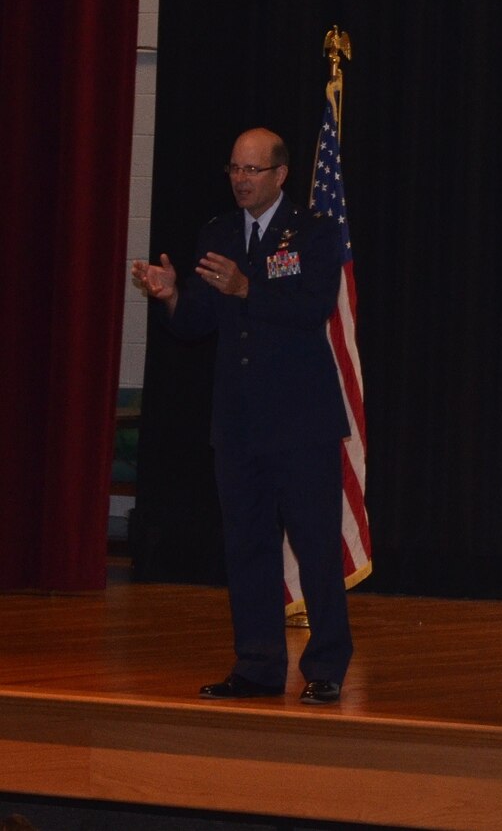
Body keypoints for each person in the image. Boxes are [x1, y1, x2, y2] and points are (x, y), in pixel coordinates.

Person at [131, 127, 352, 704]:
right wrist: (172, 296)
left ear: (280, 174)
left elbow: (313, 308)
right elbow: (198, 322)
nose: (240, 180)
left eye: (251, 170)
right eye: (233, 169)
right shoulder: (218, 232)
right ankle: (257, 666)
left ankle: (325, 665)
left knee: (316, 545)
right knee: (247, 546)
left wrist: (247, 287)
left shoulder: (314, 233)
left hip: (301, 423)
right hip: (238, 425)